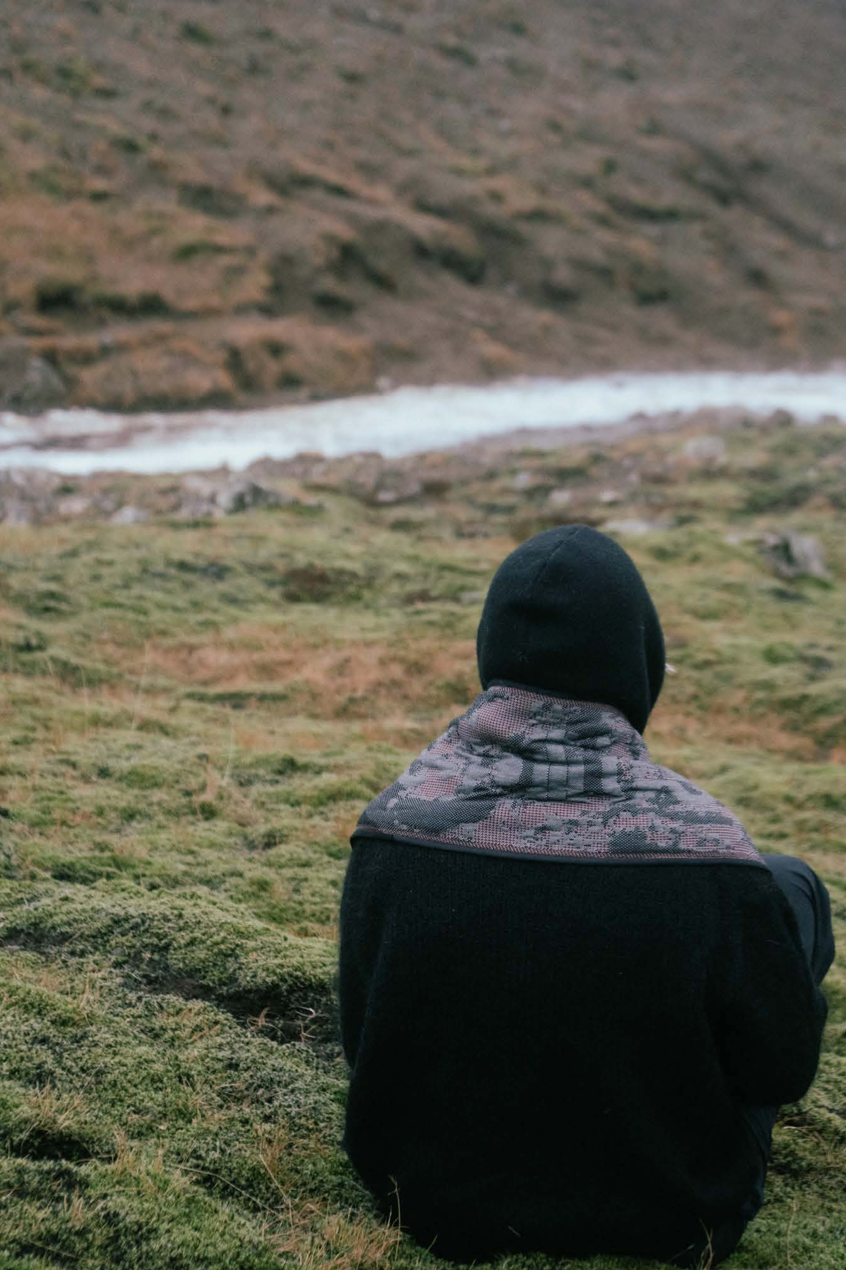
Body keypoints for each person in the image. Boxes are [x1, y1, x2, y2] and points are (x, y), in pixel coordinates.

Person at [338, 524, 834, 1267]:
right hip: (673, 1213)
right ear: (640, 658)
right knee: (791, 884)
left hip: (427, 1200)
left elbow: (362, 1041)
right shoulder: (711, 852)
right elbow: (780, 1071)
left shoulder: (392, 824)